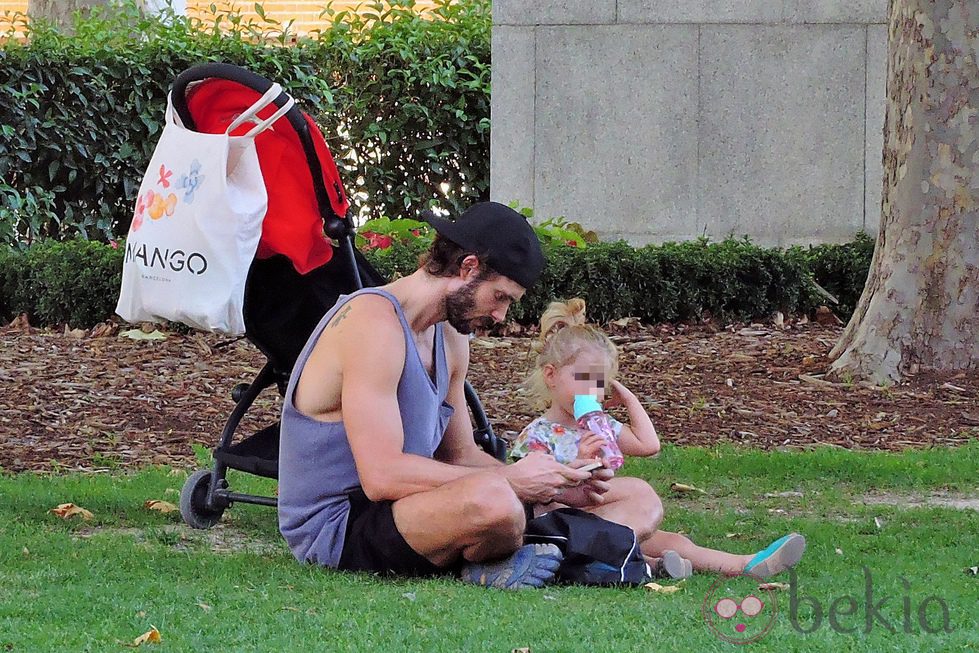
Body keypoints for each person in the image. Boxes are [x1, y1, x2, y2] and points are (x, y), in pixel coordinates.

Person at [277, 201, 599, 590]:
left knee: (636, 498)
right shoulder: (372, 324)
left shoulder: (450, 337)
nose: (500, 316)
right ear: (469, 267)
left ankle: (526, 549)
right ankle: (521, 551)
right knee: (496, 503)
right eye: (501, 297)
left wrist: (559, 484)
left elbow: (460, 454)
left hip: (412, 506)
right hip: (340, 524)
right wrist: (512, 480)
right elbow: (381, 476)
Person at [509, 298, 807, 578]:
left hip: (603, 518)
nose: (591, 391)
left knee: (671, 540)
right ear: (551, 375)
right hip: (559, 526)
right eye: (582, 379)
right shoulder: (538, 434)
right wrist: (575, 468)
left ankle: (745, 565)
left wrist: (629, 400)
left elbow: (648, 446)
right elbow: (532, 497)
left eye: (599, 382)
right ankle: (630, 563)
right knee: (639, 494)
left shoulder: (601, 426)